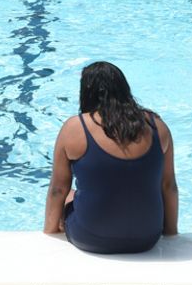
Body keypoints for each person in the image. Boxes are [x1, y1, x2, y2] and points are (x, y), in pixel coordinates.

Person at [43, 62, 178, 254]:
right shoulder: (157, 127)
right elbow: (168, 186)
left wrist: (49, 232)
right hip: (147, 238)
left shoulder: (75, 128)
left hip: (91, 237)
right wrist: (171, 234)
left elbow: (58, 189)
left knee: (70, 196)